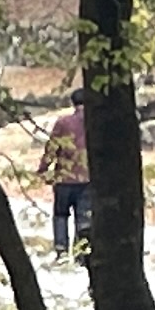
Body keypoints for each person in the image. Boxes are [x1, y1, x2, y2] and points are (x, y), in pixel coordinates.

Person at [40, 105, 90, 257]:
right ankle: (81, 252)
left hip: (64, 178)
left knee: (61, 215)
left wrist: (43, 168)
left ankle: (61, 249)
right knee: (84, 217)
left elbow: (52, 147)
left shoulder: (63, 123)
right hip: (87, 178)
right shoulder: (95, 123)